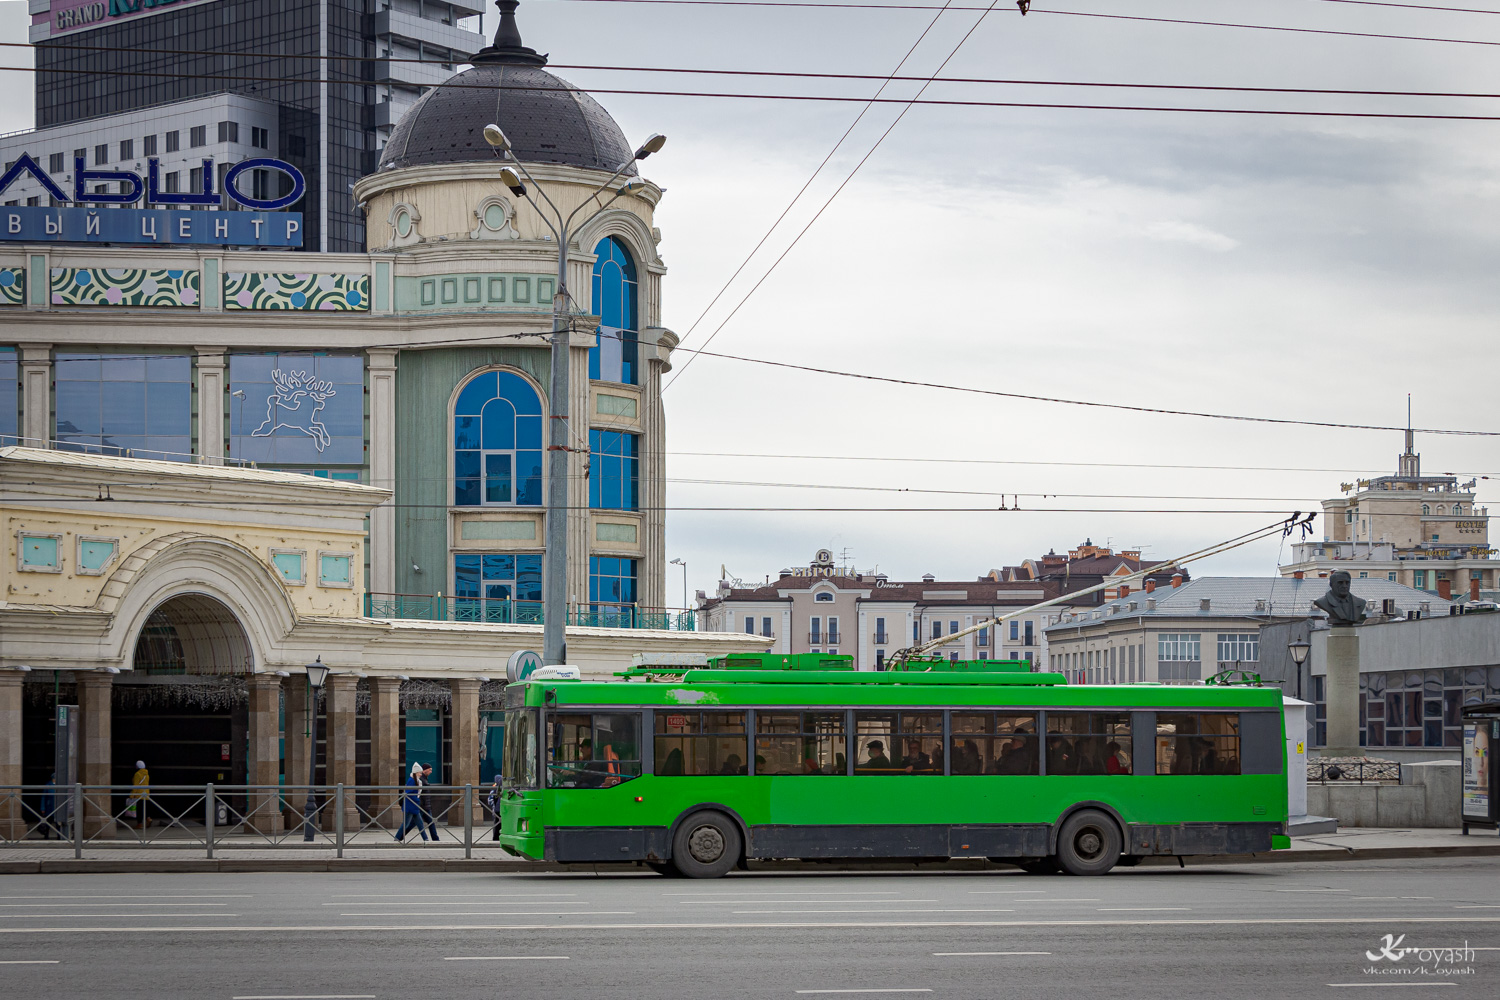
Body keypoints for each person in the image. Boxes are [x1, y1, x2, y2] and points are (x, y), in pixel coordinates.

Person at [395, 762, 428, 843]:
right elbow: (408, 793)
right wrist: (417, 800)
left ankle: (426, 839)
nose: (421, 774)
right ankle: (396, 838)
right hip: (410, 806)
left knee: (420, 824)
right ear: (416, 773)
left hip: (413, 806)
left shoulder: (414, 780)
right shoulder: (412, 780)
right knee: (406, 824)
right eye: (420, 773)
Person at [419, 764, 440, 840]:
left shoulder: (425, 779)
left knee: (431, 823)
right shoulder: (421, 779)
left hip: (426, 806)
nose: (431, 772)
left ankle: (435, 839)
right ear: (425, 770)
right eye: (430, 770)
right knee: (412, 824)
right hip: (422, 806)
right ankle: (399, 836)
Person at [128, 760, 150, 830]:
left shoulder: (137, 774)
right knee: (144, 809)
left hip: (139, 795)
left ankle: (139, 824)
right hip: (146, 794)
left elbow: (136, 785)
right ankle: (148, 818)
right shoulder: (147, 774)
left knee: (139, 810)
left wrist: (132, 795)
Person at [38, 772, 56, 840]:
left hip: (58, 807)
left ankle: (59, 836)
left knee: (58, 823)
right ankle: (46, 835)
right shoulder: (48, 785)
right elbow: (43, 797)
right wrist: (43, 808)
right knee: (48, 822)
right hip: (49, 807)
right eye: (54, 778)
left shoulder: (60, 785)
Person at [485, 775, 502, 841]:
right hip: (502, 808)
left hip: (497, 809)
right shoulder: (501, 787)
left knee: (497, 824)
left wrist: (493, 806)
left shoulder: (495, 787)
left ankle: (496, 837)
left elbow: (491, 799)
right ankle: (497, 837)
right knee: (499, 824)